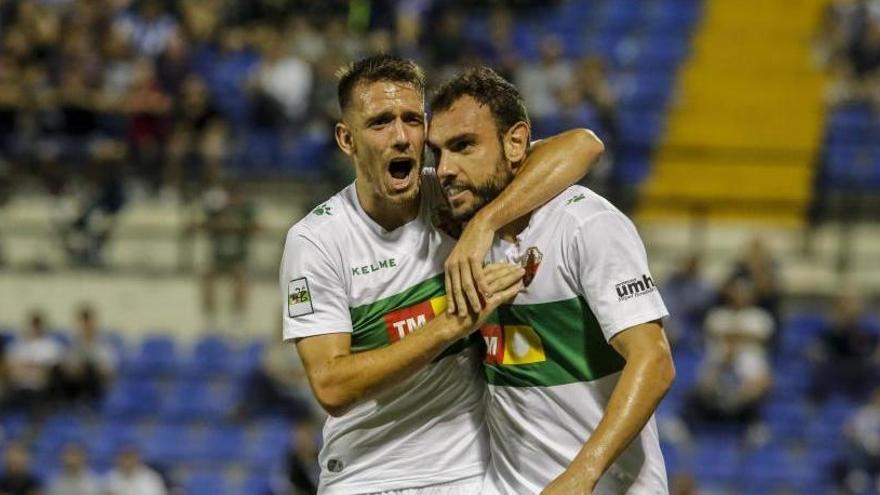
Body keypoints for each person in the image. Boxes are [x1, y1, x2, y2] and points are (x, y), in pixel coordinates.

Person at [280, 55, 603, 494]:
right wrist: (453, 322)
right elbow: (332, 387)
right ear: (346, 139)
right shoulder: (318, 240)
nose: (400, 137)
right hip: (368, 475)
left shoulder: (453, 192)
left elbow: (583, 145)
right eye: (379, 123)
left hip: (472, 473)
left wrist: (484, 224)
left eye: (412, 120)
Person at [427, 67, 673, 494]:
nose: (445, 169)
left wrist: (581, 475)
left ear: (517, 142)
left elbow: (654, 362)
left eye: (464, 146)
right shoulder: (456, 224)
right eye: (438, 153)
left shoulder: (585, 224)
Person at [102, 446, 166, 495]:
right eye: (124, 457)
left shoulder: (151, 478)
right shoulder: (111, 477)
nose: (127, 462)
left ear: (137, 459)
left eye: (130, 458)